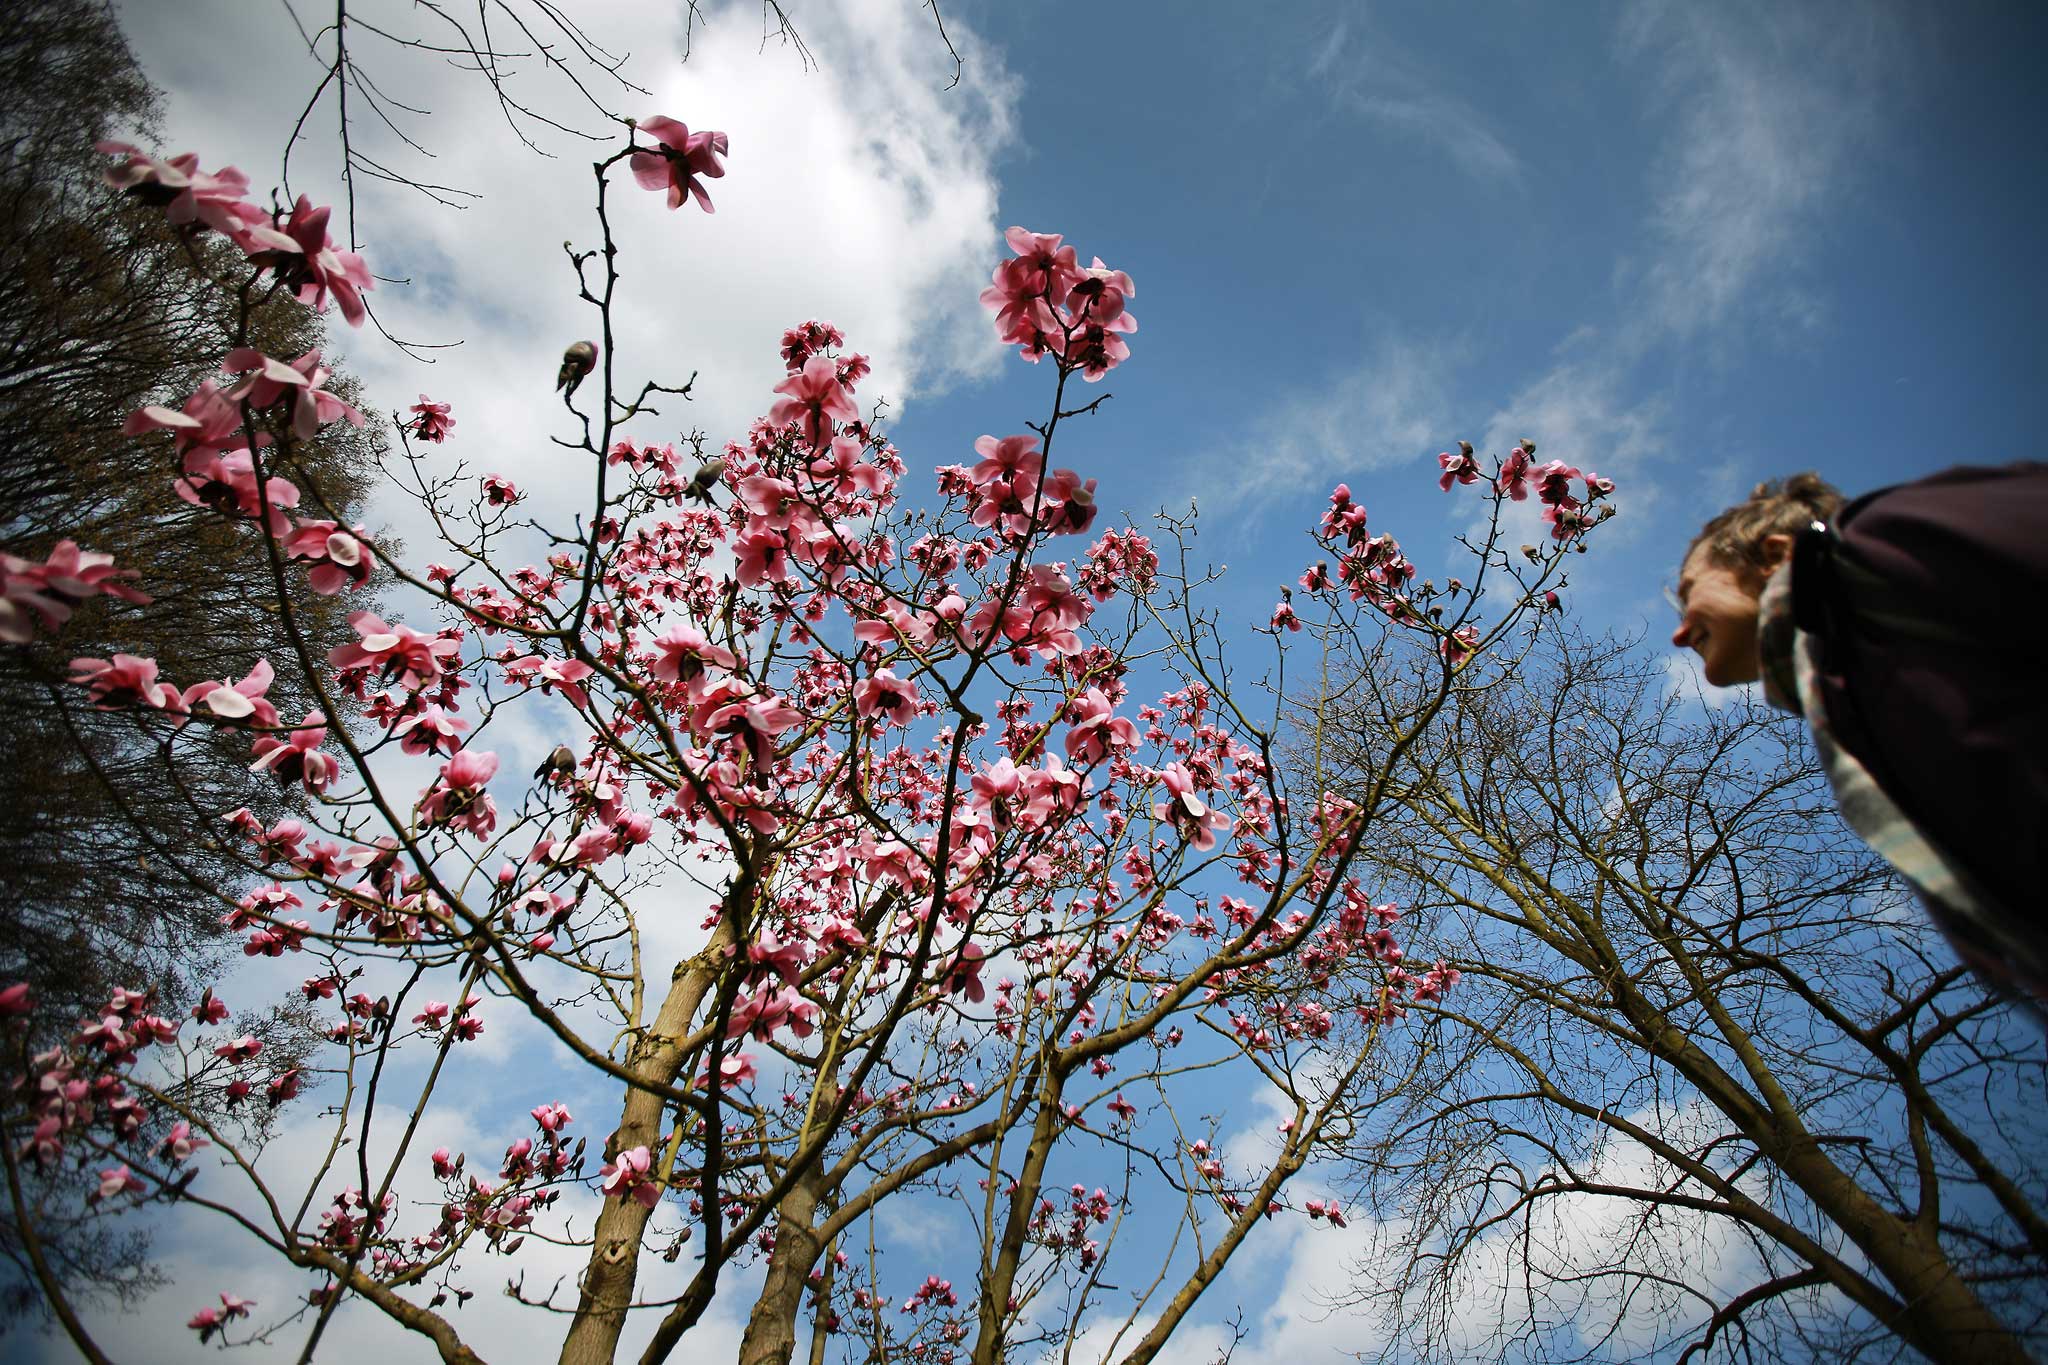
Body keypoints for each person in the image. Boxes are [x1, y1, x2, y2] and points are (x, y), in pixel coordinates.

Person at [1671, 465, 2048, 1014]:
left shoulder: (1879, 541)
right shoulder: (1845, 685)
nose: (1680, 632)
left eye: (1689, 594)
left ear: (1774, 556)